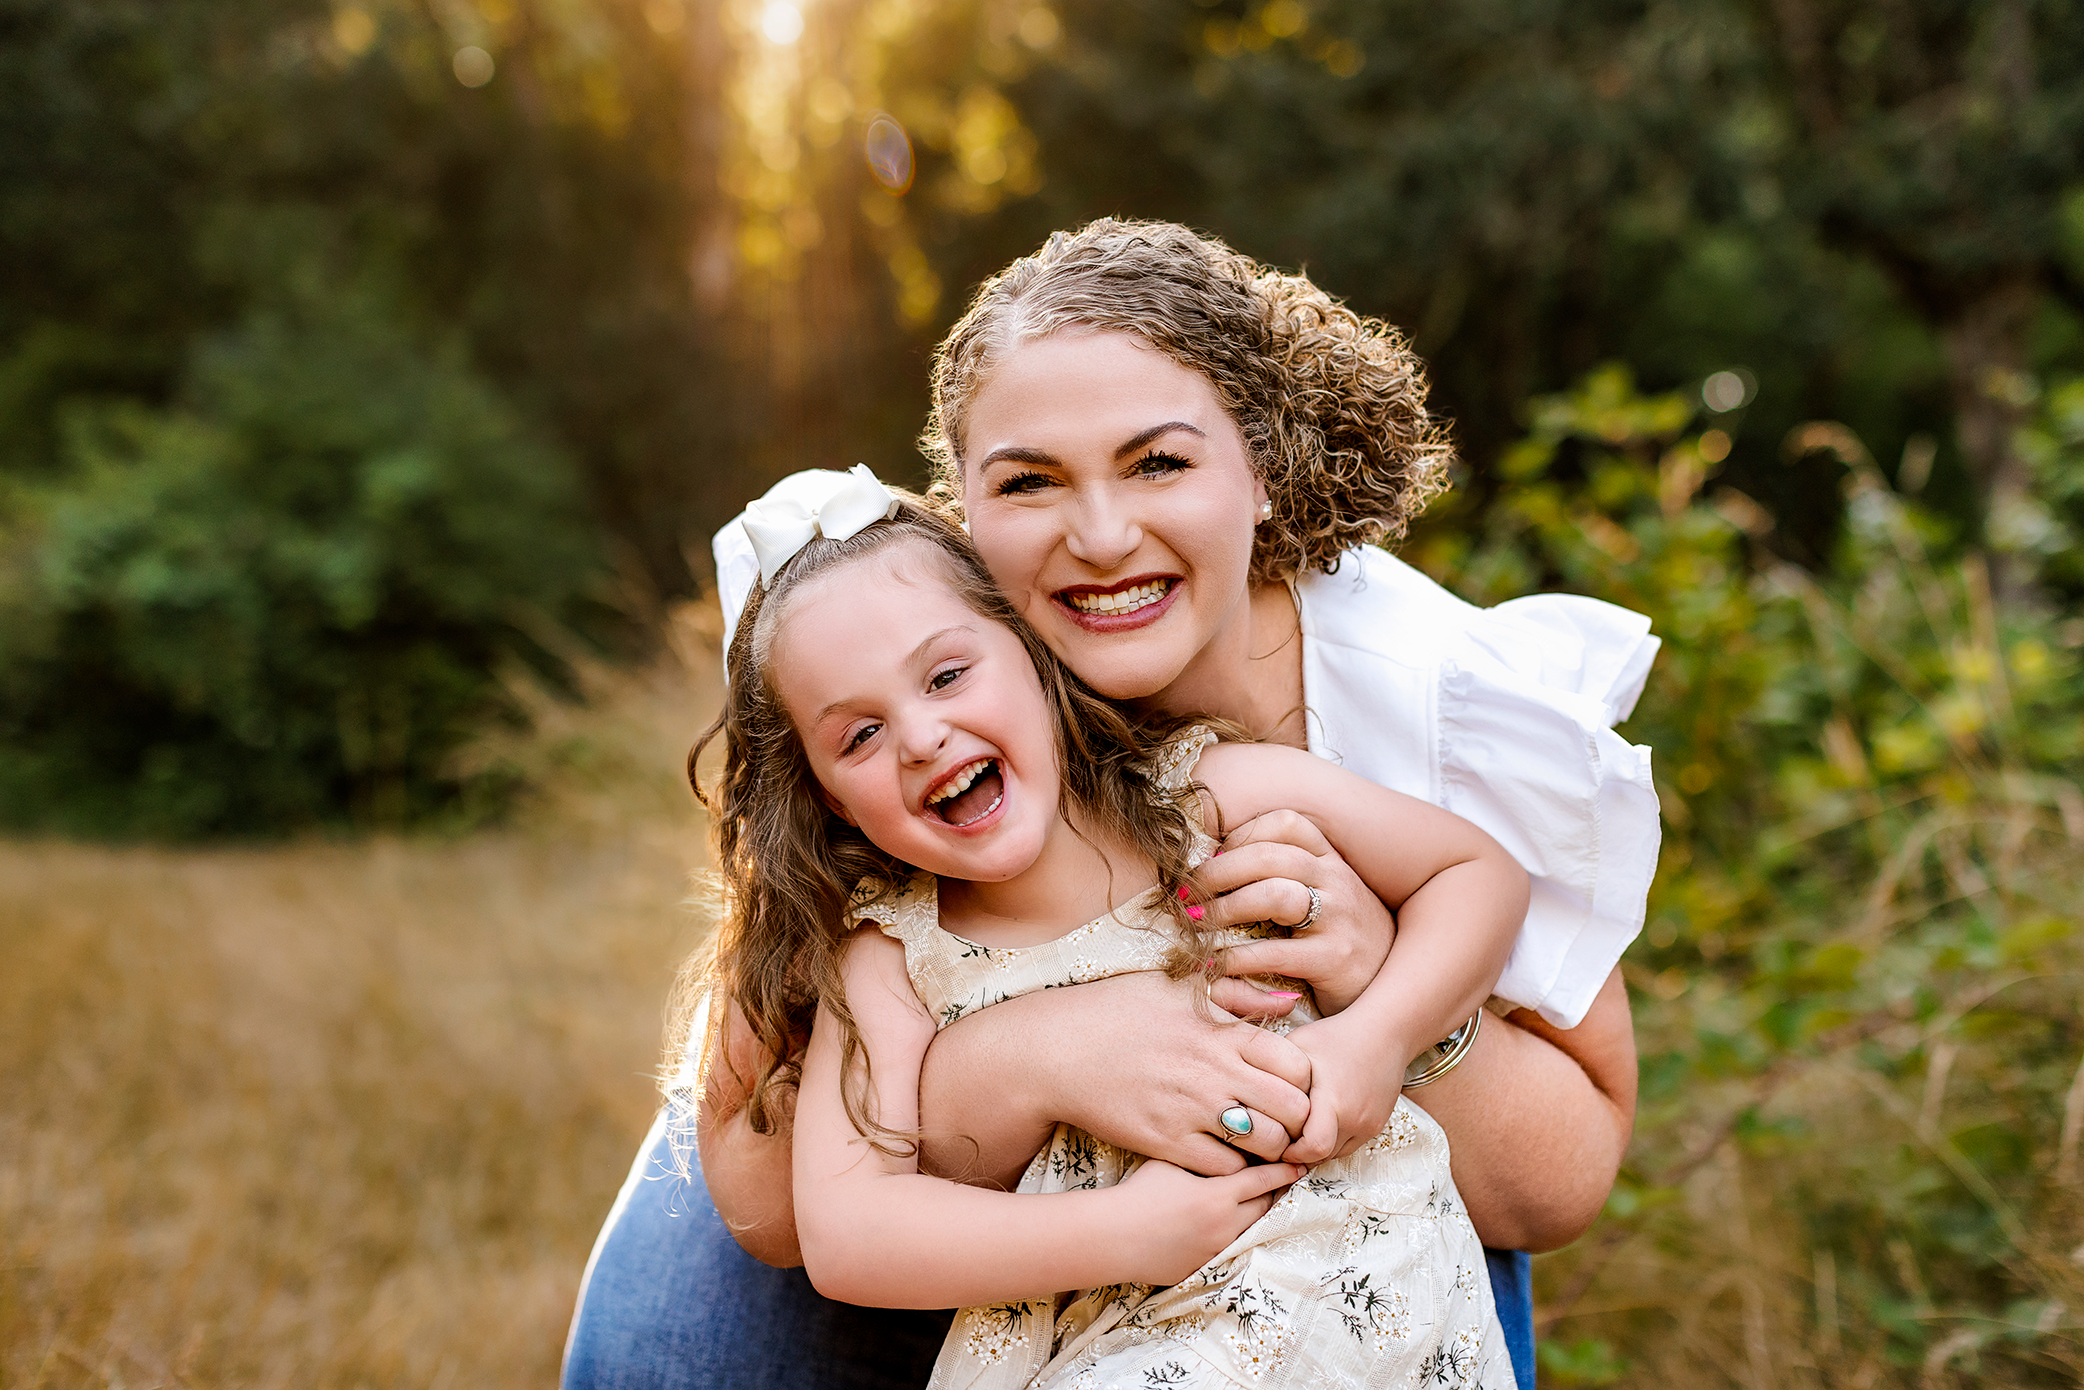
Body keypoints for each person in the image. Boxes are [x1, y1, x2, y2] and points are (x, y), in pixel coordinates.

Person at [563, 221, 1656, 1390]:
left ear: (1262, 460)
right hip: (1029, 1233)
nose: (1097, 536)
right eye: (1028, 482)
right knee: (657, 1351)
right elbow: (771, 1210)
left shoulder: (1431, 699)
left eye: (1159, 463)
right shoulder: (946, 685)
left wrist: (1377, 979)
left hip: (1328, 1185)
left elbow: (1558, 1180)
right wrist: (1034, 1054)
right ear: (964, 520)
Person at [699, 474, 1526, 1388]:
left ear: (1033, 655)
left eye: (946, 675)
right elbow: (849, 1234)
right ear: (828, 800)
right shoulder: (892, 959)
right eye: (858, 736)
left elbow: (1475, 873)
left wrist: (1377, 1039)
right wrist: (1125, 1234)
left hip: (1382, 1306)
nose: (923, 737)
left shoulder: (1205, 799)